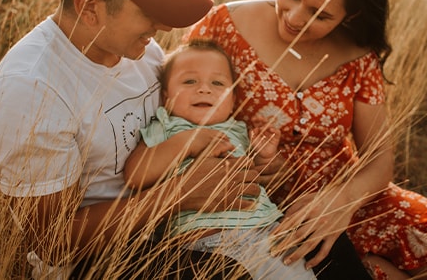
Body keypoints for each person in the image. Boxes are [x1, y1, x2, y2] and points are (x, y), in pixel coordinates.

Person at [187, 0, 427, 279]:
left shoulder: (359, 55)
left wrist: (340, 202)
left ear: (353, 15)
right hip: (253, 199)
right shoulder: (224, 25)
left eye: (321, 14)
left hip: (342, 194)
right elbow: (177, 104)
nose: (296, 17)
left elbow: (379, 159)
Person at [0, 0, 261, 279]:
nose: (162, 25)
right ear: (89, 6)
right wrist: (177, 194)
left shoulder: (142, 51)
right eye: (150, 11)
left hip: (182, 225)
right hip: (100, 260)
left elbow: (171, 129)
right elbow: (52, 242)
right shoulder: (28, 90)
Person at [123, 39, 315, 280]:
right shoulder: (166, 127)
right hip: (203, 245)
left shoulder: (237, 129)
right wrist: (188, 141)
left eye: (217, 83)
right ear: (166, 97)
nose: (204, 89)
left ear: (233, 99)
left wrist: (265, 155)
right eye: (189, 81)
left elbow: (260, 180)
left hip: (267, 235)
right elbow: (136, 175)